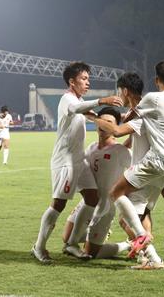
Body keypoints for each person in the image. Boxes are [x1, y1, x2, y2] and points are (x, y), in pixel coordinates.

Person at [94, 71, 164, 269]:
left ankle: (151, 256)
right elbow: (132, 139)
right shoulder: (149, 111)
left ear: (125, 91)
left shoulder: (141, 113)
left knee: (124, 216)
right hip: (159, 174)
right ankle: (147, 251)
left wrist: (91, 116)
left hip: (146, 173)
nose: (119, 94)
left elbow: (118, 131)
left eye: (120, 90)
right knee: (143, 214)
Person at [31, 61, 122, 264]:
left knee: (92, 197)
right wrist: (102, 99)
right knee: (58, 204)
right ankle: (39, 247)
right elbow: (77, 108)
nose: (87, 82)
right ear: (72, 82)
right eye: (83, 79)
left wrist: (123, 117)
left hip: (78, 160)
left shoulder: (79, 102)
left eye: (88, 79)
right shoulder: (67, 99)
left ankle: (71, 243)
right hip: (65, 162)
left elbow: (96, 117)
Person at [62, 107, 132, 259]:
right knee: (66, 238)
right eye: (102, 121)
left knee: (91, 253)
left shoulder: (121, 151)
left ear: (115, 127)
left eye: (109, 122)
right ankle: (93, 235)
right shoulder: (91, 148)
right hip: (87, 203)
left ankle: (127, 245)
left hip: (105, 206)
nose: (104, 125)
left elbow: (136, 172)